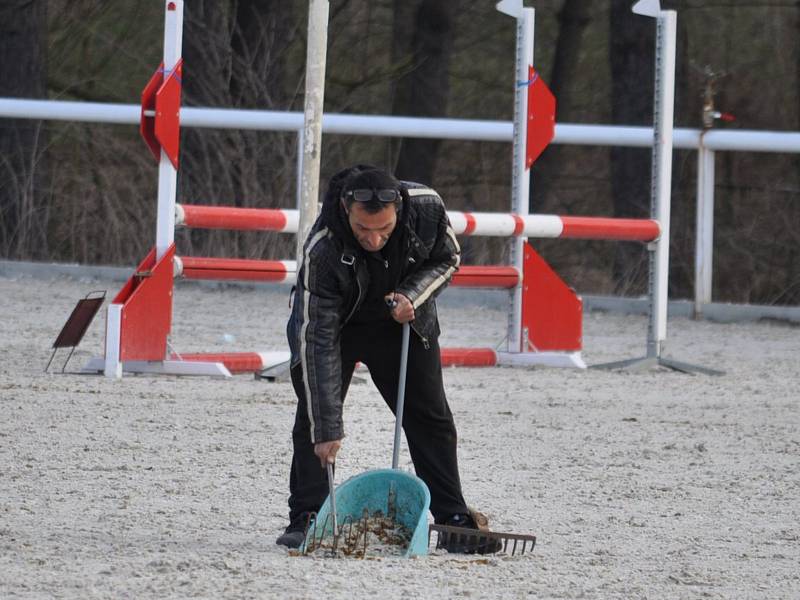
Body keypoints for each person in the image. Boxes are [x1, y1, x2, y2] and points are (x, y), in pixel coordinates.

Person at [277, 164, 496, 553]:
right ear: (347, 210)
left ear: (399, 211)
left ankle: (452, 518)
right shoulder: (323, 247)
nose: (374, 239)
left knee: (431, 417)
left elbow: (447, 258)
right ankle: (308, 515)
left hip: (401, 321)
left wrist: (413, 294)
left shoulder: (426, 208)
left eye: (385, 229)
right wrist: (328, 429)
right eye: (363, 230)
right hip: (335, 328)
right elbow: (318, 339)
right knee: (313, 420)